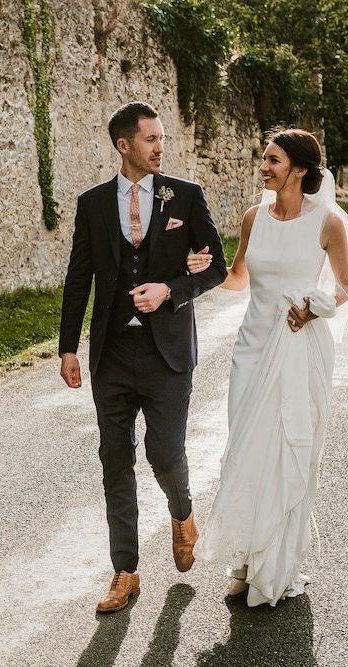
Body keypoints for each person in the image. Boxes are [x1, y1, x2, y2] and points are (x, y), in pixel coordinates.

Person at [58, 101, 227, 613]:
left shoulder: (187, 198)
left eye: (162, 140)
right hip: (110, 353)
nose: (160, 148)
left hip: (167, 355)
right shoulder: (91, 205)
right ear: (124, 145)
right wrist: (68, 346)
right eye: (150, 140)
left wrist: (172, 290)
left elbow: (216, 267)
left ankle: (182, 512)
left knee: (164, 454)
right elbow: (78, 278)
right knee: (115, 463)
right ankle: (125, 571)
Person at [191, 128, 348, 607]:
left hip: (300, 348)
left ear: (299, 170)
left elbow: (344, 286)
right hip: (251, 349)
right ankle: (245, 557)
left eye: (273, 159)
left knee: (287, 450)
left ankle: (273, 567)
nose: (264, 166)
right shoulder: (253, 217)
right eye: (264, 157)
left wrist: (315, 306)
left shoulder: (327, 223)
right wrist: (206, 271)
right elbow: (239, 278)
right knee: (246, 449)